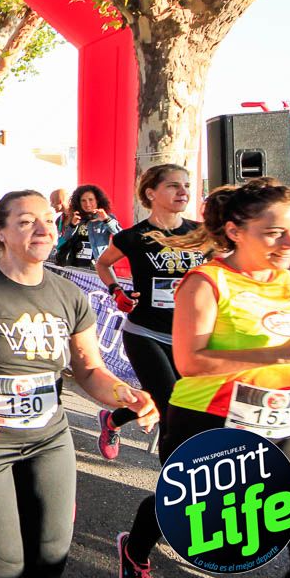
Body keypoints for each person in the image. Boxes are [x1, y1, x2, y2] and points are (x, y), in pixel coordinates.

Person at [0, 189, 157, 578]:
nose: (43, 229)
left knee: (47, 568)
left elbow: (90, 370)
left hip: (48, 438)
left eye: (48, 219)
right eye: (26, 222)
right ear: (1, 232)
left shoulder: (69, 296)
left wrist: (125, 393)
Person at [115, 178, 290, 578]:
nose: (289, 243)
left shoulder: (285, 281)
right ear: (236, 231)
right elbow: (190, 362)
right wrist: (279, 354)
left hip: (282, 422)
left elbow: (280, 336)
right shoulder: (206, 283)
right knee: (199, 519)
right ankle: (136, 548)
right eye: (274, 232)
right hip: (209, 420)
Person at [93, 165, 203, 460]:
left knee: (163, 398)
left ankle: (112, 420)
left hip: (188, 337)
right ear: (151, 193)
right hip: (145, 333)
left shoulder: (201, 234)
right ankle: (178, 477)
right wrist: (117, 291)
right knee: (171, 407)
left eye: (186, 185)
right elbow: (102, 265)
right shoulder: (134, 236)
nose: (183, 191)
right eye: (173, 186)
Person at [57, 184, 121, 268]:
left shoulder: (107, 216)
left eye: (91, 199)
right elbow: (65, 239)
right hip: (75, 265)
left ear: (97, 200)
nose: (87, 204)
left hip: (98, 266)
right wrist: (72, 225)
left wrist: (106, 220)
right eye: (83, 200)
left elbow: (121, 236)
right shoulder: (75, 216)